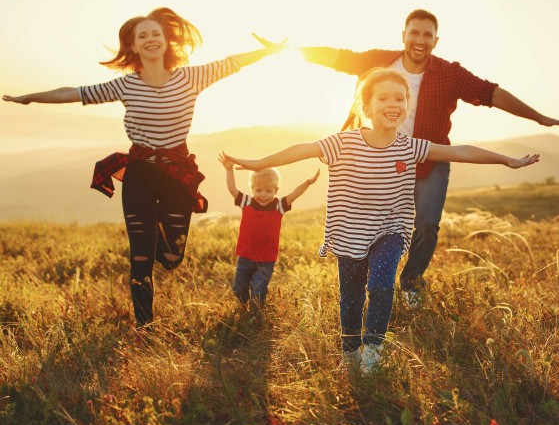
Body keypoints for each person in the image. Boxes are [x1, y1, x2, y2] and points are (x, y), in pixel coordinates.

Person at [223, 68, 539, 372]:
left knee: (381, 283)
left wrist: (506, 159)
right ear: (367, 107)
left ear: (406, 106)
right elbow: (302, 149)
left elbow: (461, 152)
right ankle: (350, 352)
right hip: (349, 234)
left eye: (400, 98)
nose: (392, 104)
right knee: (351, 295)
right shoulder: (343, 143)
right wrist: (257, 163)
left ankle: (373, 349)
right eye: (384, 98)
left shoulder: (411, 147)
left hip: (391, 231)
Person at [3, 7, 286, 329]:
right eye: (142, 36)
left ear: (166, 41)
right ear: (134, 47)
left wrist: (270, 50)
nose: (150, 39)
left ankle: (153, 239)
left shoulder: (191, 77)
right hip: (139, 172)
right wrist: (29, 98)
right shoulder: (125, 86)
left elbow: (233, 63)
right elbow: (74, 93)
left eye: (156, 34)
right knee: (139, 257)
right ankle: (144, 325)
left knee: (171, 257)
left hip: (177, 174)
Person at [255, 9, 558, 304]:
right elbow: (336, 56)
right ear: (404, 35)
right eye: (415, 32)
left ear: (435, 41)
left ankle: (411, 282)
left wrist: (539, 118)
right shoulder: (379, 62)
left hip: (428, 156)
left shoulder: (449, 73)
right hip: (375, 158)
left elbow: (491, 93)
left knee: (426, 224)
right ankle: (368, 278)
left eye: (428, 35)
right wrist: (286, 50)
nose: (420, 39)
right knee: (370, 221)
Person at [218, 152, 319, 314]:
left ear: (276, 190)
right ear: (252, 189)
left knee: (258, 290)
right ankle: (243, 310)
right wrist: (229, 170)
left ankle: (256, 317)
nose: (263, 194)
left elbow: (294, 194)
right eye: (258, 190)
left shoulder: (279, 206)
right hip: (245, 257)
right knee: (238, 289)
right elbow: (232, 189)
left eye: (268, 191)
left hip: (266, 260)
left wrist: (307, 183)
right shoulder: (247, 202)